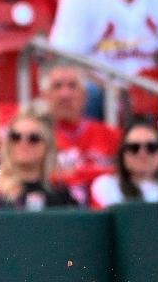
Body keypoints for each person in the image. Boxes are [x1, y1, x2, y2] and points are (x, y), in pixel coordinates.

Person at [38, 62, 120, 204]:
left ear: (84, 95)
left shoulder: (110, 135)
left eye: (72, 86)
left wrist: (74, 173)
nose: (65, 94)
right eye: (57, 86)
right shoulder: (32, 137)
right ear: (45, 95)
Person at [0, 111, 77, 210]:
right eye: (16, 137)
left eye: (33, 138)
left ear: (47, 145)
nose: (23, 143)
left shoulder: (60, 192)